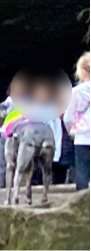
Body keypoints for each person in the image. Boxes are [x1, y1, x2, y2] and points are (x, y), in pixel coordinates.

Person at [64, 52, 90, 191]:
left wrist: (72, 131)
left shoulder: (76, 92)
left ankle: (84, 204)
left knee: (82, 171)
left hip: (82, 136)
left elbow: (68, 118)